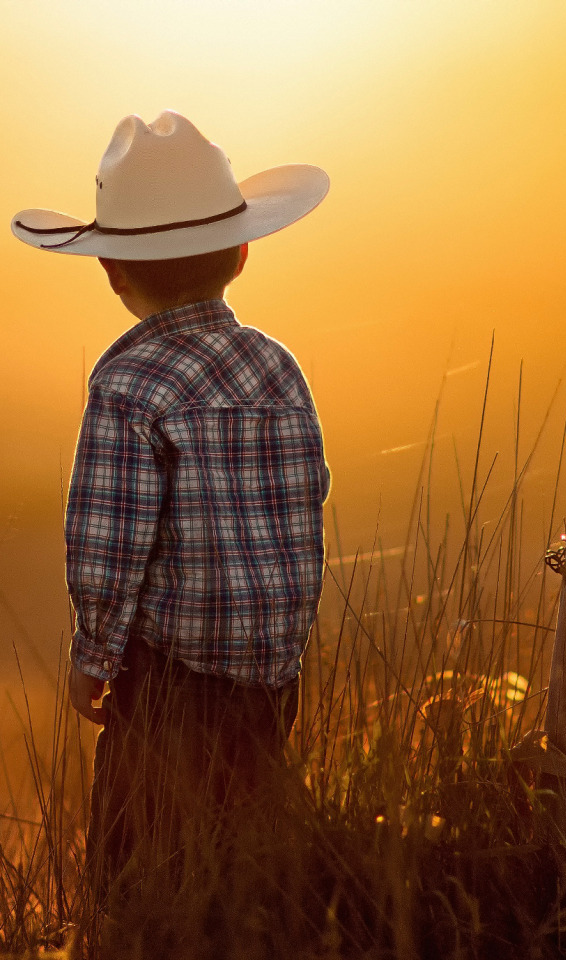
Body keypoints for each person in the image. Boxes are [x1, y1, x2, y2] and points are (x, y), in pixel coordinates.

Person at [11, 110, 330, 890]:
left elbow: (106, 547)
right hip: (270, 677)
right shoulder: (277, 366)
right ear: (244, 252)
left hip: (169, 683)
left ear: (113, 271)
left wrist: (95, 654)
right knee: (246, 854)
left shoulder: (127, 385)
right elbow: (307, 495)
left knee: (137, 868)